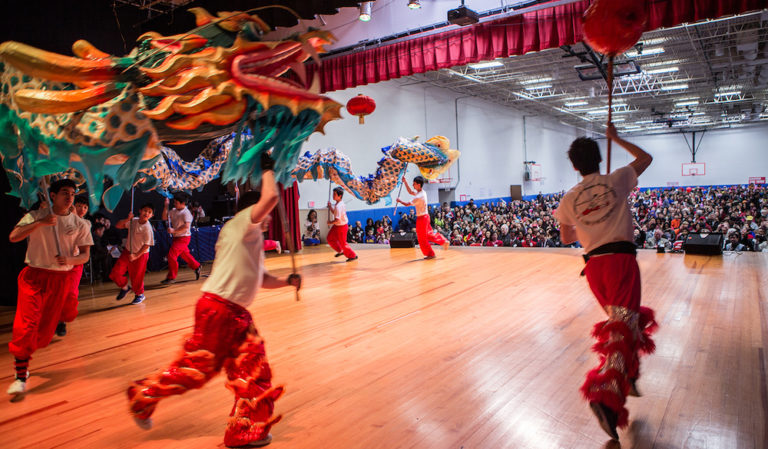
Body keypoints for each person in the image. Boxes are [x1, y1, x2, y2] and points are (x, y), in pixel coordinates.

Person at [127, 154, 301, 447]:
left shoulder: (247, 236)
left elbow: (260, 279)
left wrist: (287, 282)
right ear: (252, 211)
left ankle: (241, 428)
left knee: (250, 368)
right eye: (264, 213)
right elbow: (270, 196)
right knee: (200, 371)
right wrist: (269, 168)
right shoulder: (243, 223)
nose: (269, 218)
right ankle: (144, 394)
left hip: (230, 312)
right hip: (222, 311)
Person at [554, 123, 657, 440]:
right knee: (622, 328)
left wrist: (585, 222)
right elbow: (646, 158)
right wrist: (617, 138)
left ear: (574, 166)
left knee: (625, 322)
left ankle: (629, 374)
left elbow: (566, 237)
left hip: (595, 269)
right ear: (600, 159)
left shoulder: (569, 199)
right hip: (621, 263)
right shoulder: (618, 179)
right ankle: (605, 399)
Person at [7, 179, 93, 397]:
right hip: (33, 277)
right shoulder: (35, 215)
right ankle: (20, 375)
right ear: (51, 195)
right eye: (65, 192)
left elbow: (84, 255)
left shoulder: (81, 224)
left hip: (60, 280)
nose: (70, 197)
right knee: (25, 326)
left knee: (44, 334)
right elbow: (14, 237)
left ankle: (30, 349)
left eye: (73, 193)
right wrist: (41, 222)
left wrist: (70, 260)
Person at [56, 194, 92, 337]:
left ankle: (62, 319)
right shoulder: (61, 218)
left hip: (76, 261)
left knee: (71, 293)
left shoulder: (86, 223)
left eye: (85, 207)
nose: (82, 209)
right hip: (60, 261)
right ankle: (58, 321)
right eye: (79, 206)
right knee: (58, 293)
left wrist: (72, 215)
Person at [110, 203, 155, 305]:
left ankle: (140, 294)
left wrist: (136, 255)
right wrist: (127, 219)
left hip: (141, 254)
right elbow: (118, 225)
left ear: (151, 216)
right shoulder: (133, 220)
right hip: (127, 251)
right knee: (115, 273)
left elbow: (147, 245)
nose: (146, 213)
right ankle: (125, 288)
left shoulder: (147, 228)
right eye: (145, 210)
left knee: (137, 277)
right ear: (140, 210)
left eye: (149, 212)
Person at [396, 176, 449, 259]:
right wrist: (405, 182)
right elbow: (410, 192)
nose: (413, 185)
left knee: (422, 238)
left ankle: (430, 254)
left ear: (418, 184)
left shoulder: (419, 196)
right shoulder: (422, 192)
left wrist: (399, 201)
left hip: (422, 218)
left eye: (414, 184)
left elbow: (407, 204)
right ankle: (443, 241)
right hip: (425, 217)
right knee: (428, 234)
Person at [161, 193, 201, 284]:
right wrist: (165, 206)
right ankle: (197, 266)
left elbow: (186, 227)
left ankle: (171, 277)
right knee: (185, 255)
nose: (174, 204)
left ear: (183, 203)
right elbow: (164, 217)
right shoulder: (174, 210)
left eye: (176, 202)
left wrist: (174, 230)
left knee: (171, 256)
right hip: (176, 238)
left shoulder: (186, 213)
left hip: (184, 238)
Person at [326, 187, 358, 261]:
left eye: (335, 194)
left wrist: (330, 222)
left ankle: (352, 256)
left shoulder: (339, 206)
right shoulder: (338, 204)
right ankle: (341, 251)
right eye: (333, 194)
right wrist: (330, 207)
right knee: (330, 238)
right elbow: (335, 213)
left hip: (341, 226)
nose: (333, 196)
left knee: (343, 243)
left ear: (340, 196)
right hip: (337, 225)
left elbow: (337, 219)